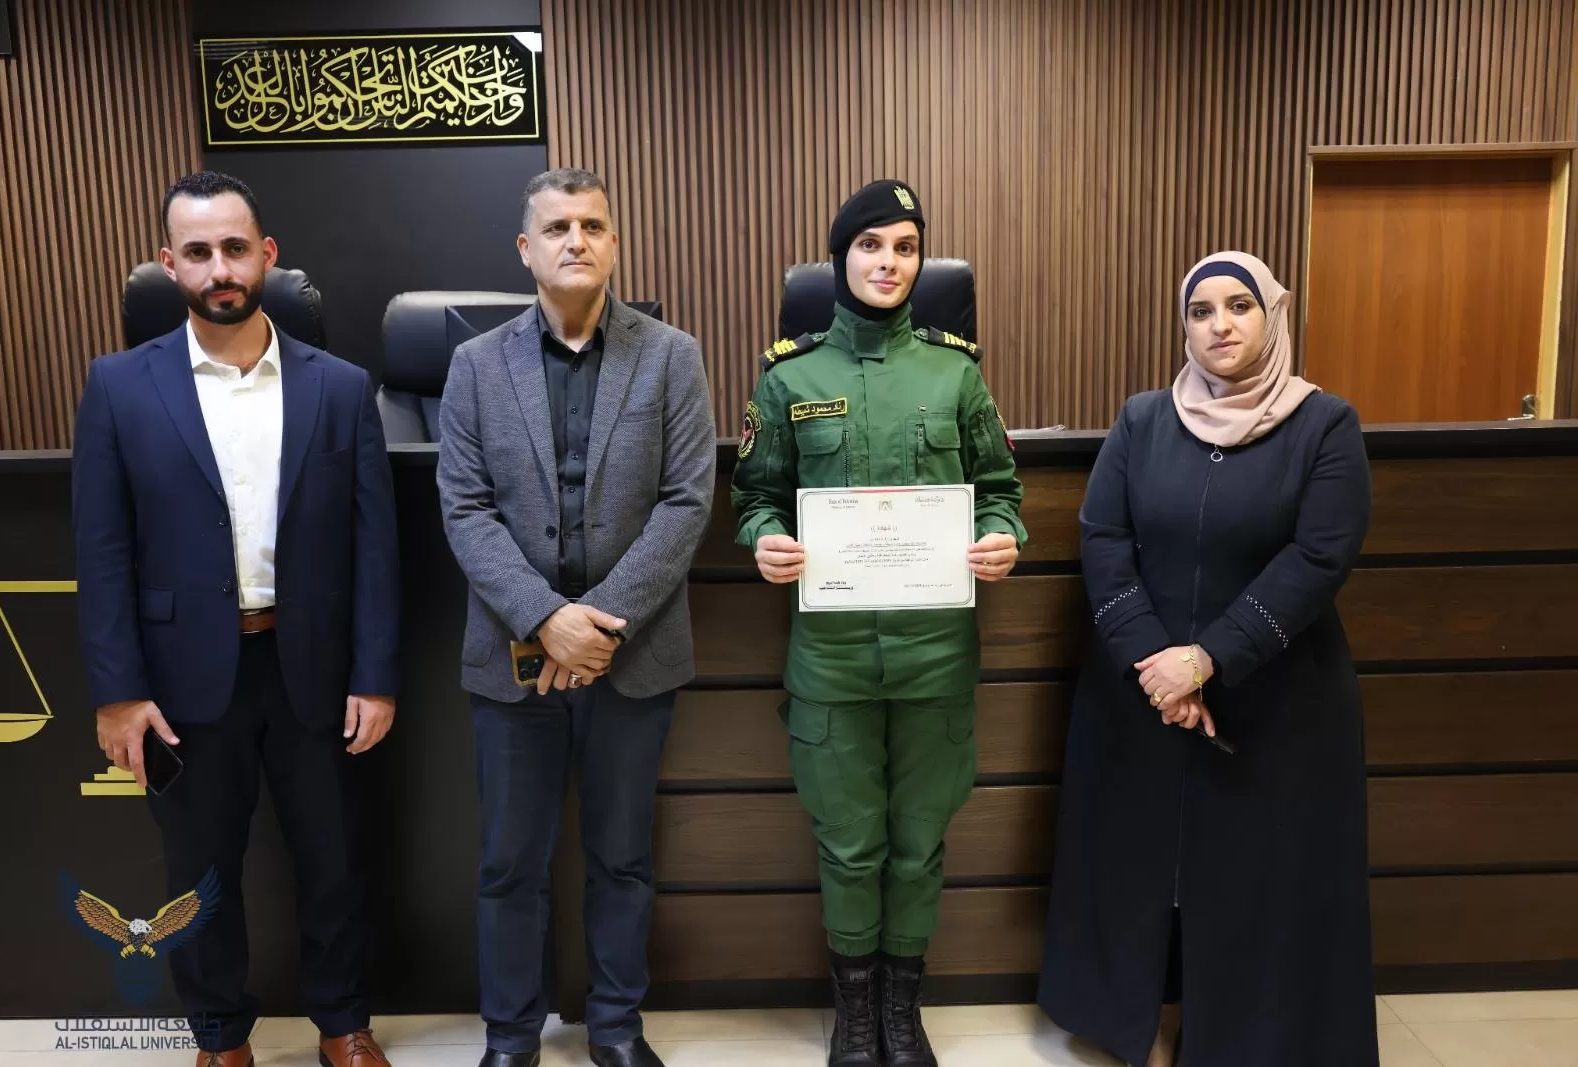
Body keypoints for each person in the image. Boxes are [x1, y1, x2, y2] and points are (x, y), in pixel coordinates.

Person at [72, 171, 402, 1067]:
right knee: (200, 870)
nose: (219, 268)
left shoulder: (340, 388)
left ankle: (344, 1023)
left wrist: (374, 675)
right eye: (197, 251)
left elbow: (374, 548)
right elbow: (102, 553)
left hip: (313, 668)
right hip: (182, 679)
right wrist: (117, 694)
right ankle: (219, 1037)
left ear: (267, 255)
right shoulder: (119, 386)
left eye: (234, 247)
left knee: (332, 860)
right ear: (168, 265)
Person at [1037, 251, 1377, 1066]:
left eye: (1239, 305)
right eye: (1201, 311)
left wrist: (1209, 658)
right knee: (1148, 867)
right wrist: (1159, 662)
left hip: (1277, 697)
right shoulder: (1143, 420)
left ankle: (1242, 1033)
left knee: (1256, 871)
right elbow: (1104, 537)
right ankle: (1146, 1021)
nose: (1220, 325)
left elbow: (1319, 556)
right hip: (1142, 690)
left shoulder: (1325, 425)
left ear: (1273, 314)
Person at [731, 180, 1026, 1067]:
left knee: (919, 844)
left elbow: (1001, 491)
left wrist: (1002, 537)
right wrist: (765, 539)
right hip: (832, 662)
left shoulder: (955, 372)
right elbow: (754, 496)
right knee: (850, 845)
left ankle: (904, 1010)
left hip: (936, 659)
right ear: (840, 258)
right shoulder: (789, 376)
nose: (889, 263)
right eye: (871, 245)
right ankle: (856, 1015)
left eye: (905, 247)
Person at [436, 167, 717, 1067]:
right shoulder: (477, 365)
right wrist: (544, 618)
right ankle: (511, 1034)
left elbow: (686, 502)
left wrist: (595, 624)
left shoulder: (671, 355)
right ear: (527, 249)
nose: (576, 241)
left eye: (592, 225)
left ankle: (616, 1026)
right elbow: (465, 509)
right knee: (510, 863)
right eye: (557, 227)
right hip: (512, 659)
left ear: (614, 244)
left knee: (622, 858)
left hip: (632, 657)